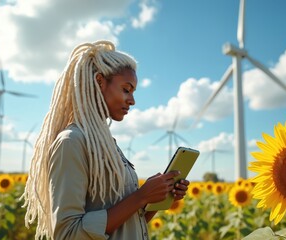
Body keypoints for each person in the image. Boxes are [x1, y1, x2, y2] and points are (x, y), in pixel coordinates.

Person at [21, 40, 190, 240]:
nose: (132, 100)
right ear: (99, 82)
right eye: (126, 89)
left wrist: (157, 199)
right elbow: (67, 233)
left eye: (133, 92)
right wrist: (141, 196)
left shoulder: (107, 144)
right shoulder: (72, 142)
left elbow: (124, 226)